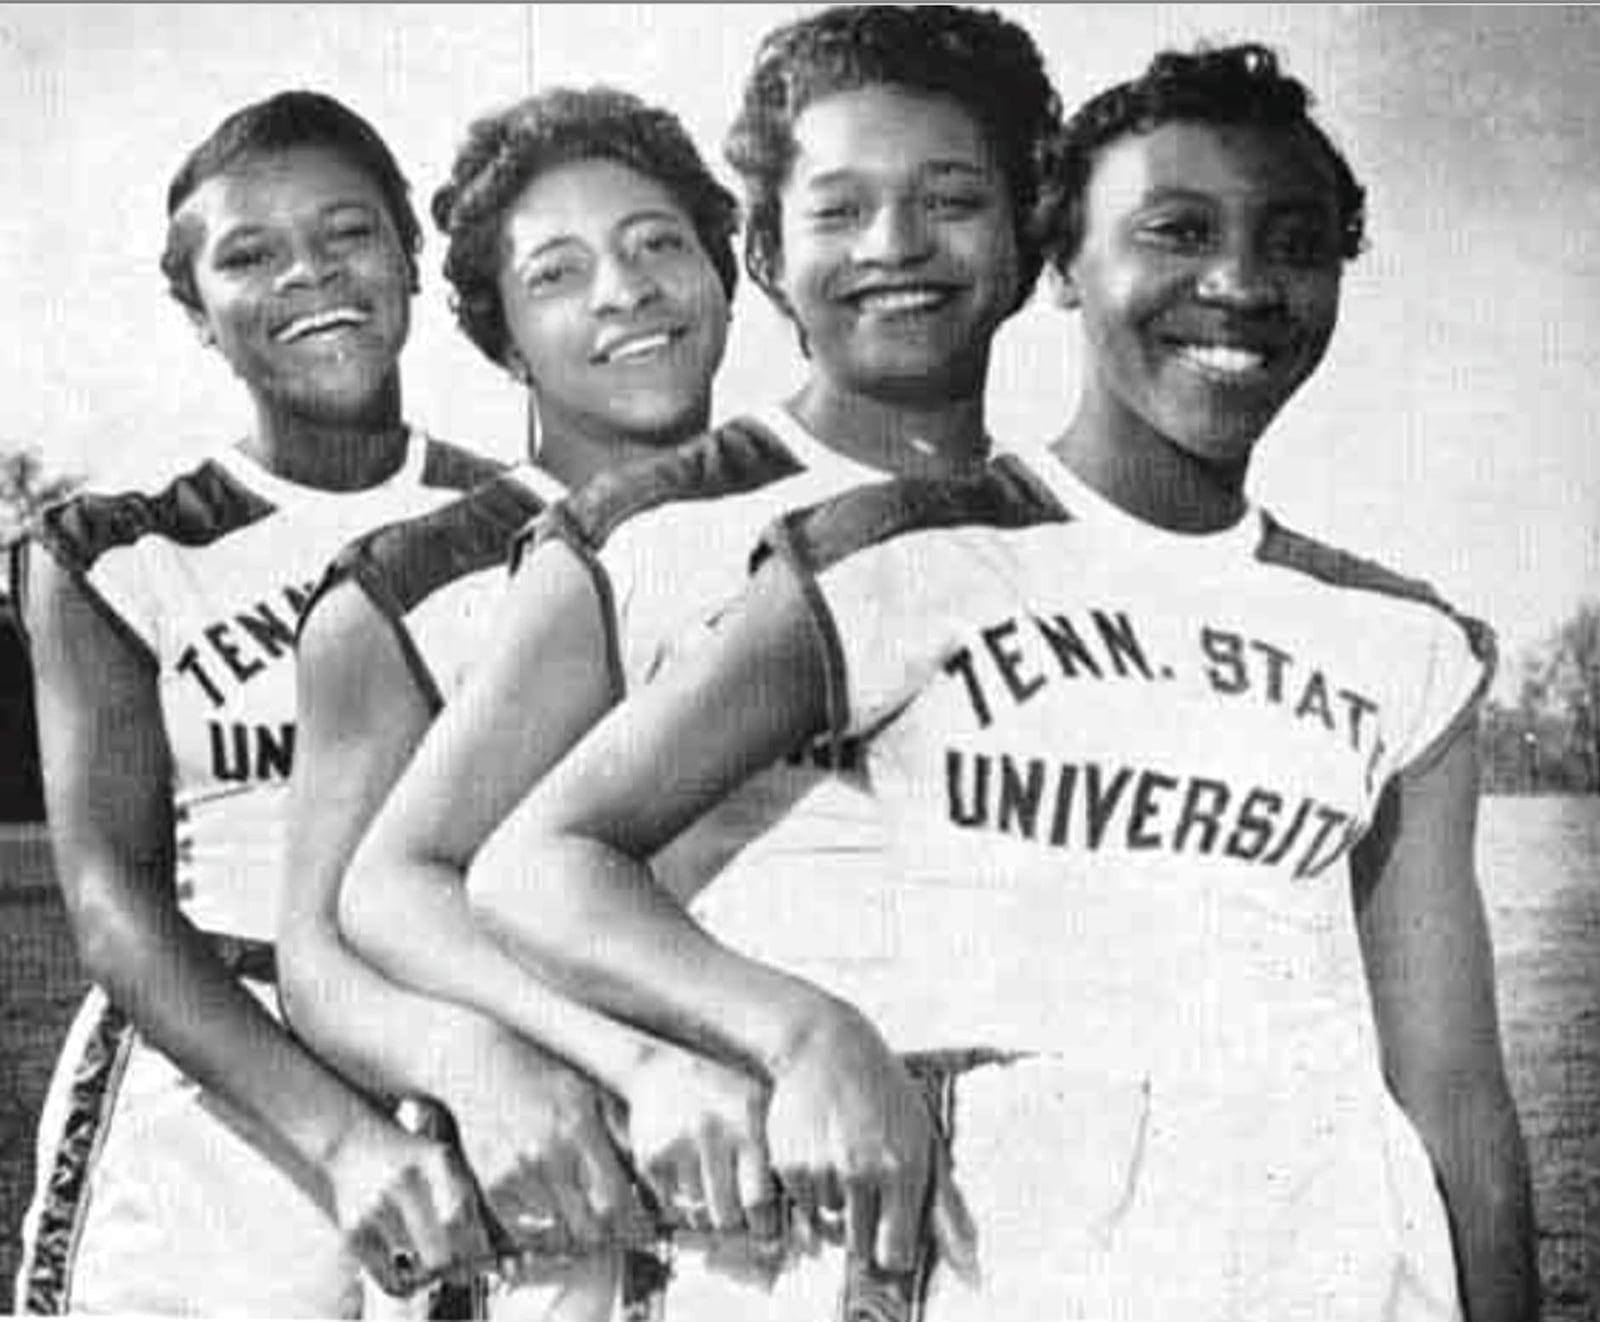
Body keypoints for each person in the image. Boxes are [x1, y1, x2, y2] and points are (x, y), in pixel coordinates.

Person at [449, 42, 1540, 1322]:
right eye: (1175, 232)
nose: (1238, 282)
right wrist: (803, 1030)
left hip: (1323, 1264)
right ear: (1065, 263)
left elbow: (1455, 1091)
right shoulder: (898, 553)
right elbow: (536, 861)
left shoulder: (1399, 641)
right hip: (1001, 1259)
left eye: (1293, 242)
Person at [333, 3, 1061, 1313]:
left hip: (1035, 1221)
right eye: (840, 210)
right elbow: (398, 880)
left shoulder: (1073, 531)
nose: (898, 248)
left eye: (952, 199)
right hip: (758, 1238)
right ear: (772, 256)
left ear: (1032, 230)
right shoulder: (644, 531)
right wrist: (632, 1059)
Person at [10, 90, 513, 1316]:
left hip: (468, 1061)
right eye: (249, 255)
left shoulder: (524, 517)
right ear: (196, 313)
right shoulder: (119, 550)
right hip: (212, 1094)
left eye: (347, 234)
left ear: (409, 256)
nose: (310, 276)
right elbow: (111, 902)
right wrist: (342, 1140)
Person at [277, 86, 742, 1317]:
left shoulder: (816, 536)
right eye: (557, 274)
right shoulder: (402, 587)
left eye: (657, 244)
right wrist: (472, 1058)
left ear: (726, 273)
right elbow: (319, 954)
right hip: (539, 1212)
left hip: (763, 1178)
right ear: (501, 338)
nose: (624, 292)